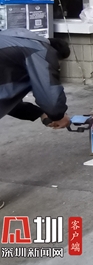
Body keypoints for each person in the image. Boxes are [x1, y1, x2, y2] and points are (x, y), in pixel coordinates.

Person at [1, 29, 73, 210]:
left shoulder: (16, 40)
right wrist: (58, 115)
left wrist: (39, 114)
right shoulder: (41, 51)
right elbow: (50, 96)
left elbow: (5, 98)